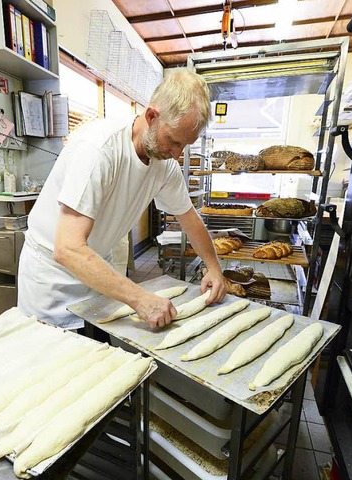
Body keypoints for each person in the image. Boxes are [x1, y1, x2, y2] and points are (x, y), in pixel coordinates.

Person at [17, 69, 227, 330]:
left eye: (185, 146)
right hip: (52, 282)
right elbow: (68, 249)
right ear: (151, 116)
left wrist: (214, 267)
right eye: (173, 141)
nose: (177, 154)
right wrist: (139, 298)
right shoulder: (98, 150)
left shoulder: (164, 164)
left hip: (96, 274)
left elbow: (189, 219)